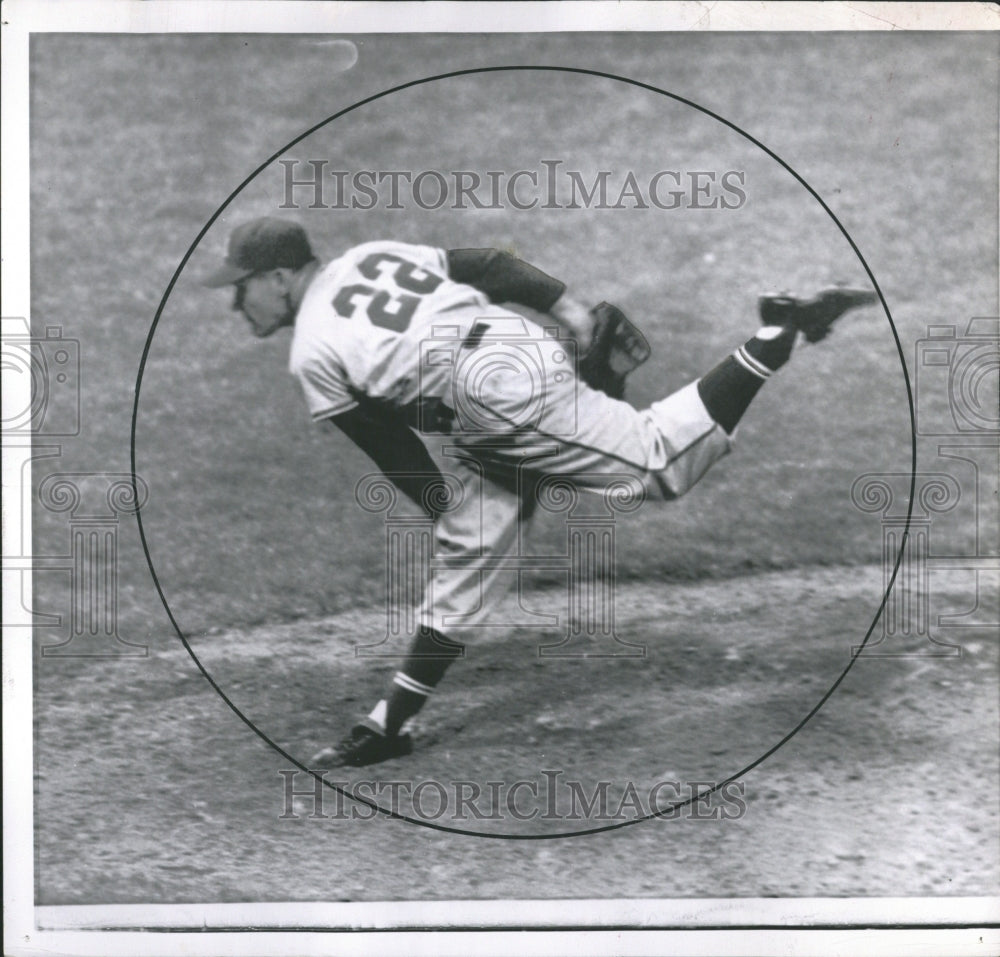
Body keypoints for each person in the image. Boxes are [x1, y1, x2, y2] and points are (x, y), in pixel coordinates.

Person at [203, 216, 876, 767]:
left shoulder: (311, 352)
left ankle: (776, 332)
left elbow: (393, 451)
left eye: (243, 288)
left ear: (282, 276)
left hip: (494, 397)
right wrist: (571, 311)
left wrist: (443, 507)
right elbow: (488, 265)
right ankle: (390, 722)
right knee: (472, 552)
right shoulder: (371, 255)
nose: (237, 303)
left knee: (657, 463)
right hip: (509, 354)